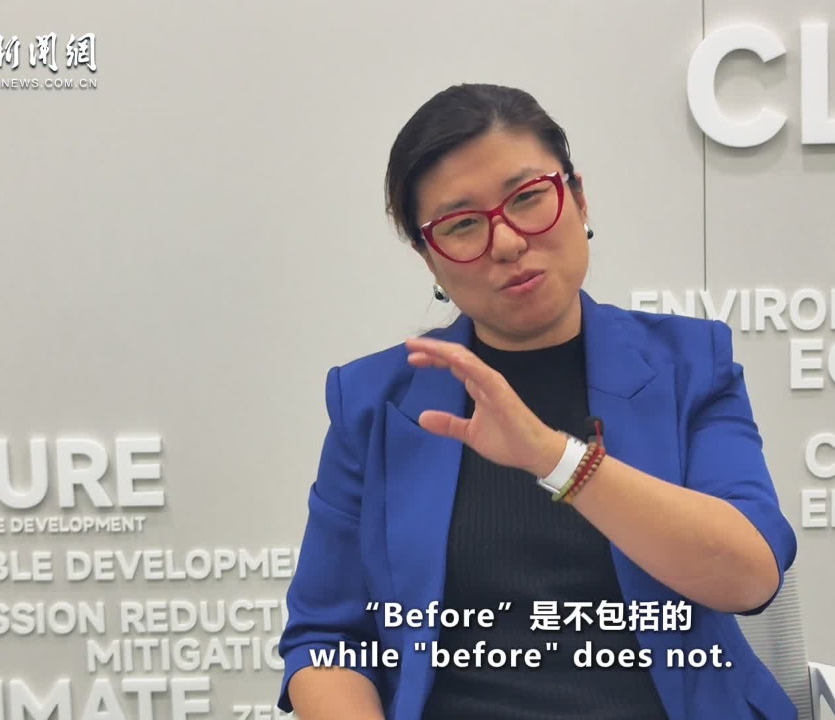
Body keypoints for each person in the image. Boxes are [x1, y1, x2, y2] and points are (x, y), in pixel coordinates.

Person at [277, 83, 798, 720]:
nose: (506, 242)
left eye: (527, 198)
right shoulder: (374, 402)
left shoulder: (690, 365)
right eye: (462, 225)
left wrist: (556, 459)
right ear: (429, 260)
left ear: (577, 197)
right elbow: (327, 639)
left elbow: (749, 577)